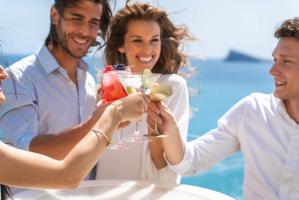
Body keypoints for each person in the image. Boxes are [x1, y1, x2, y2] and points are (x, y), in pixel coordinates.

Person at [149, 17, 299, 200]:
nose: (272, 71)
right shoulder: (252, 111)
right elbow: (192, 161)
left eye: (286, 62)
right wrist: (171, 130)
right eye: (275, 59)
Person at [0, 64, 149, 200]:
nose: (3, 73)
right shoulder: (21, 75)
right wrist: (116, 111)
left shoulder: (87, 80)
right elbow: (66, 176)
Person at [0, 0, 113, 160]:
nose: (84, 31)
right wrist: (98, 123)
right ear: (54, 15)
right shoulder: (18, 77)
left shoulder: (88, 81)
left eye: (93, 23)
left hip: (90, 186)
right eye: (77, 18)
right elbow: (18, 156)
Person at [95, 2, 193, 183]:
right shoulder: (108, 85)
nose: (148, 49)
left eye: (154, 40)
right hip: (102, 192)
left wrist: (154, 131)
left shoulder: (172, 87)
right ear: (121, 45)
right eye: (137, 40)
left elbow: (168, 166)